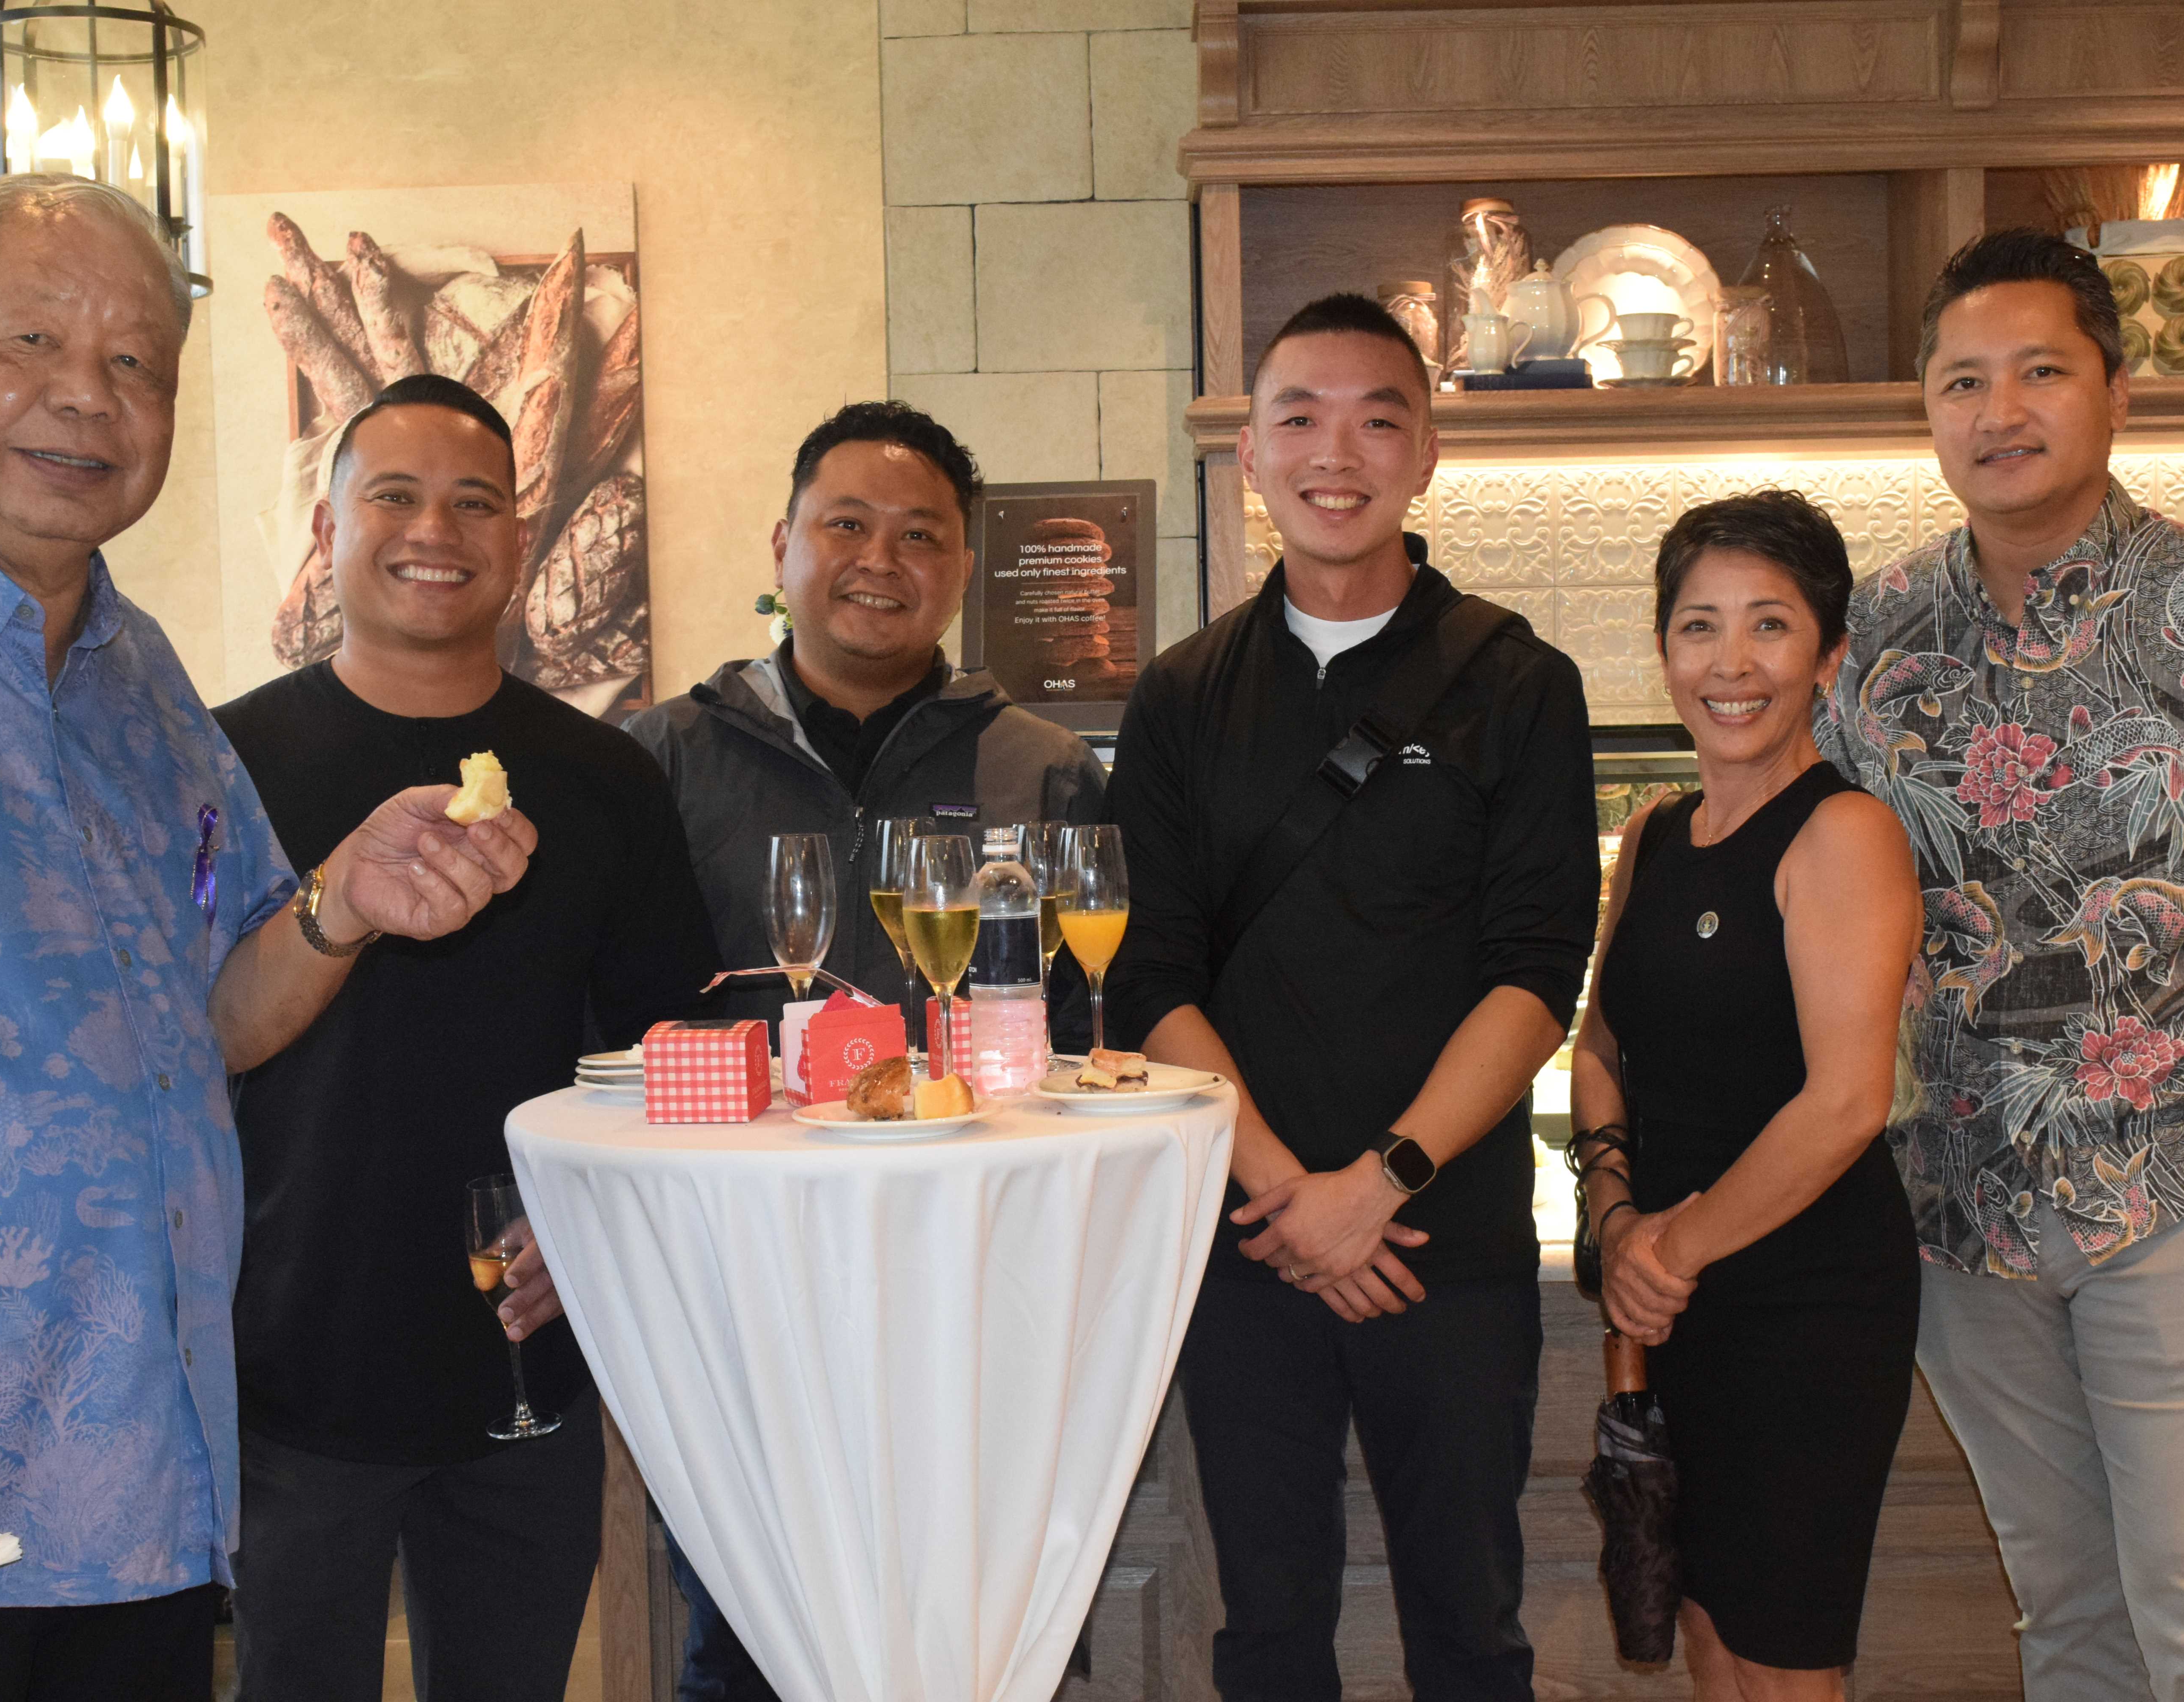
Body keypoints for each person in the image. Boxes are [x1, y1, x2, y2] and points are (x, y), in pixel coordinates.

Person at [0, 177, 533, 1699]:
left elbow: (212, 1019)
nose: (85, 397)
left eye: (136, 366)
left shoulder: (136, 672)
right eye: (33, 339)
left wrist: (340, 906)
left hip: (137, 1523)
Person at [1816, 228, 2184, 1700]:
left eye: (2041, 371)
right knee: (2072, 1624)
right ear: (1928, 412)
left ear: (2117, 393)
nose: (2000, 410)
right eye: (1962, 381)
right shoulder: (1875, 640)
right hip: (1961, 1204)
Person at [1106, 292, 1599, 1700]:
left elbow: (1534, 972)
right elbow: (1153, 976)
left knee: (1469, 1623)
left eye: (1379, 417)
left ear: (1427, 452)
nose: (1339, 452)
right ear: (1251, 455)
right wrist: (1288, 1202)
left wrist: (1378, 1182)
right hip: (1247, 1243)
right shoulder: (1183, 697)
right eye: (1299, 419)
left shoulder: (1518, 684)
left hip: (1448, 1235)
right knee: (1265, 1627)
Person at [213, 374, 719, 1701]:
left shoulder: (608, 776)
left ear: (518, 535)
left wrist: (591, 1215)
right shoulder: (229, 763)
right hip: (286, 1352)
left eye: (475, 501)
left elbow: (671, 1048)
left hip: (525, 1358)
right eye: (394, 495)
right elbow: (171, 1043)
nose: (435, 527)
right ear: (328, 530)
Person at [623, 399, 1105, 1699]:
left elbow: (1086, 1031)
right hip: (741, 1301)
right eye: (847, 525)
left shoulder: (1042, 768)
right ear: (783, 543)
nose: (880, 560)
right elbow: (606, 1024)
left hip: (984, 1285)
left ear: (959, 570)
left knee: (997, 1632)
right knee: (747, 1635)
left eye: (921, 537)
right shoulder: (662, 758)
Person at [1572, 491, 1923, 1699]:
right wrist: (1616, 1219)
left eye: (1770, 627)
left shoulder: (1845, 834)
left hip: (1804, 1306)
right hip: (1679, 1305)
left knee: (1781, 1660)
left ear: (1827, 654)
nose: (1730, 664)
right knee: (1711, 1637)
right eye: (1698, 627)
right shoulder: (1655, 838)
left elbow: (1846, 1102)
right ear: (1663, 648)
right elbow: (1599, 1045)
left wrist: (1669, 1250)